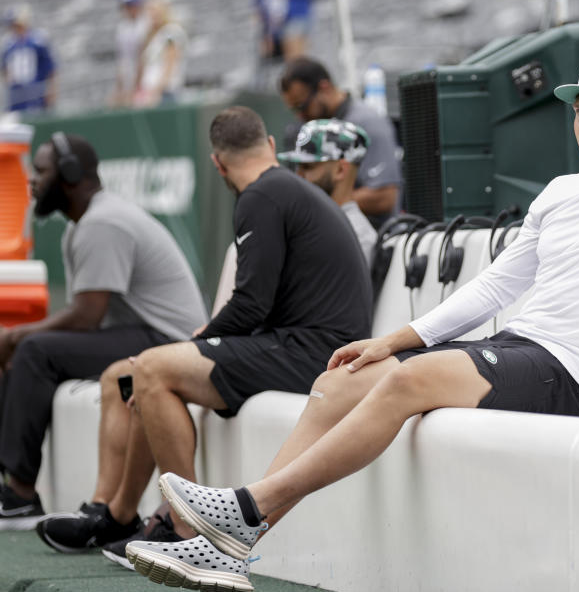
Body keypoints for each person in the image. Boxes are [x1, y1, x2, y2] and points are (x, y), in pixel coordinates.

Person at [124, 57, 579, 592]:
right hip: (517, 347)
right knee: (342, 382)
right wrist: (395, 337)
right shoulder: (560, 192)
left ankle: (244, 509)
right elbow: (498, 284)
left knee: (407, 383)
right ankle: (235, 544)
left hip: (569, 372)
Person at [35, 106, 372, 562]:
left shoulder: (261, 196)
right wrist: (199, 343)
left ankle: (182, 528)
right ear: (270, 145)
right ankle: (117, 513)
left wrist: (195, 344)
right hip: (309, 346)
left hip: (313, 354)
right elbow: (260, 305)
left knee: (152, 368)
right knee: (131, 372)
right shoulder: (278, 190)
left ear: (216, 163)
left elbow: (252, 304)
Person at [0, 133, 207, 529]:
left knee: (32, 350)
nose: (33, 181)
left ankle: (21, 494)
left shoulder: (102, 222)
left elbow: (86, 317)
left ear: (71, 174)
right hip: (140, 333)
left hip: (167, 341)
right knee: (25, 350)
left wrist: (14, 336)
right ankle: (12, 488)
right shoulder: (84, 223)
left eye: (41, 172)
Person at [279, 57, 403, 228]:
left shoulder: (368, 123)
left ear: (324, 88)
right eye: (294, 109)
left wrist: (316, 202)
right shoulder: (306, 128)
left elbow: (385, 197)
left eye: (303, 106)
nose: (299, 116)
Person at [277, 118, 377, 265]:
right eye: (298, 167)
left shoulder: (358, 236)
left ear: (340, 170)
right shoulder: (309, 225)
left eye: (308, 167)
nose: (299, 175)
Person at [1, 5, 56, 112]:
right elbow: (4, 68)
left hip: (37, 92)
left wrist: (51, 90)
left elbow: (51, 69)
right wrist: (9, 80)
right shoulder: (8, 43)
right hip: (16, 94)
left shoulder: (38, 40)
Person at [133, 0, 186, 107]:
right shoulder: (151, 35)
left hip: (164, 93)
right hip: (149, 93)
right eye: (149, 11)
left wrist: (156, 91)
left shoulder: (171, 31)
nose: (152, 15)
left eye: (155, 11)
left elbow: (170, 65)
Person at [111, 0, 149, 108]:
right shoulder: (122, 27)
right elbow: (122, 60)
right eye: (127, 5)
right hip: (129, 75)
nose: (130, 9)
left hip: (146, 79)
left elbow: (143, 56)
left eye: (133, 4)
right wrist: (120, 87)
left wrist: (136, 86)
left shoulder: (146, 23)